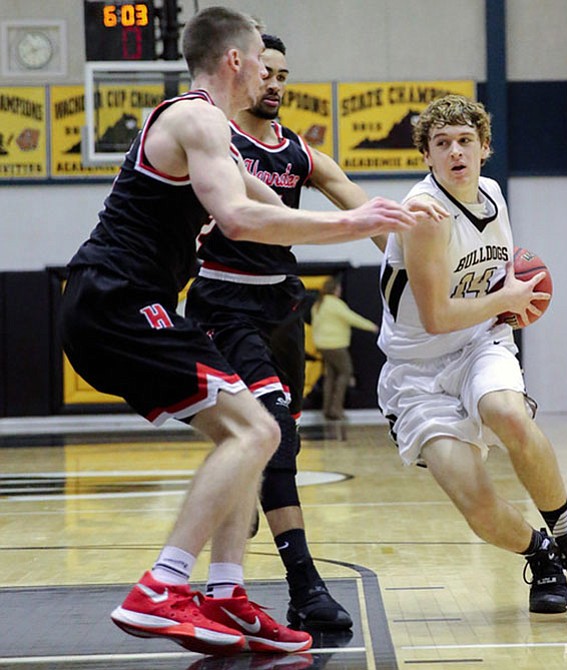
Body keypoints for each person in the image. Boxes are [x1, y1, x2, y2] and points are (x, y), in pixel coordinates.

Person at [58, 7, 423, 658]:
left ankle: (226, 590)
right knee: (257, 428)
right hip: (114, 299)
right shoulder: (194, 115)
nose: (269, 72)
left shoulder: (216, 137)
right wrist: (350, 225)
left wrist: (386, 230)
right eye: (262, 59)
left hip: (122, 304)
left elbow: (271, 215)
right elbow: (237, 218)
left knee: (251, 430)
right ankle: (163, 583)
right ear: (234, 61)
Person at [185, 33, 444, 631]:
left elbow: (369, 213)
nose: (275, 83)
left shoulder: (300, 154)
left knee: (280, 443)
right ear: (242, 72)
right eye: (265, 72)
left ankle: (242, 494)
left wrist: (418, 255)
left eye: (283, 75)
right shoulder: (213, 135)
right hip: (223, 305)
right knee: (273, 430)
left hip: (280, 310)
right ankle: (304, 584)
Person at [376, 94, 567, 614]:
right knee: (478, 507)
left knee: (507, 413)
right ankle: (541, 556)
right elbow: (436, 318)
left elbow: (489, 283)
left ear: (485, 147)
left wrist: (510, 296)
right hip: (417, 372)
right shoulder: (425, 215)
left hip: (479, 343)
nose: (455, 152)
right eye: (441, 144)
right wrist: (510, 298)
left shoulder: (492, 193)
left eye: (465, 141)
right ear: (427, 156)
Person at [311, 276, 379, 420]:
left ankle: (327, 409)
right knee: (345, 372)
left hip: (322, 345)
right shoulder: (335, 304)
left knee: (331, 376)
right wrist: (371, 326)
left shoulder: (318, 304)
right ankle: (336, 409)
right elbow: (352, 318)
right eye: (339, 288)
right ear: (335, 290)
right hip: (335, 345)